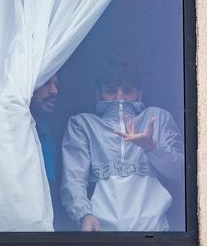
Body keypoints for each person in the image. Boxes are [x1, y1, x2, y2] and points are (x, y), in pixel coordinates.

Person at [61, 58, 184, 231]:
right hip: (102, 233)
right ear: (98, 95)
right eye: (111, 90)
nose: (119, 97)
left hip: (154, 233)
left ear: (139, 94)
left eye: (127, 90)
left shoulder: (157, 118)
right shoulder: (82, 124)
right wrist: (83, 214)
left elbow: (183, 174)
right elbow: (73, 179)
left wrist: (151, 147)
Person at [30, 74, 74, 231]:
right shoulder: (13, 134)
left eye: (56, 84)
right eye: (46, 82)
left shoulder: (46, 133)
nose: (54, 91)